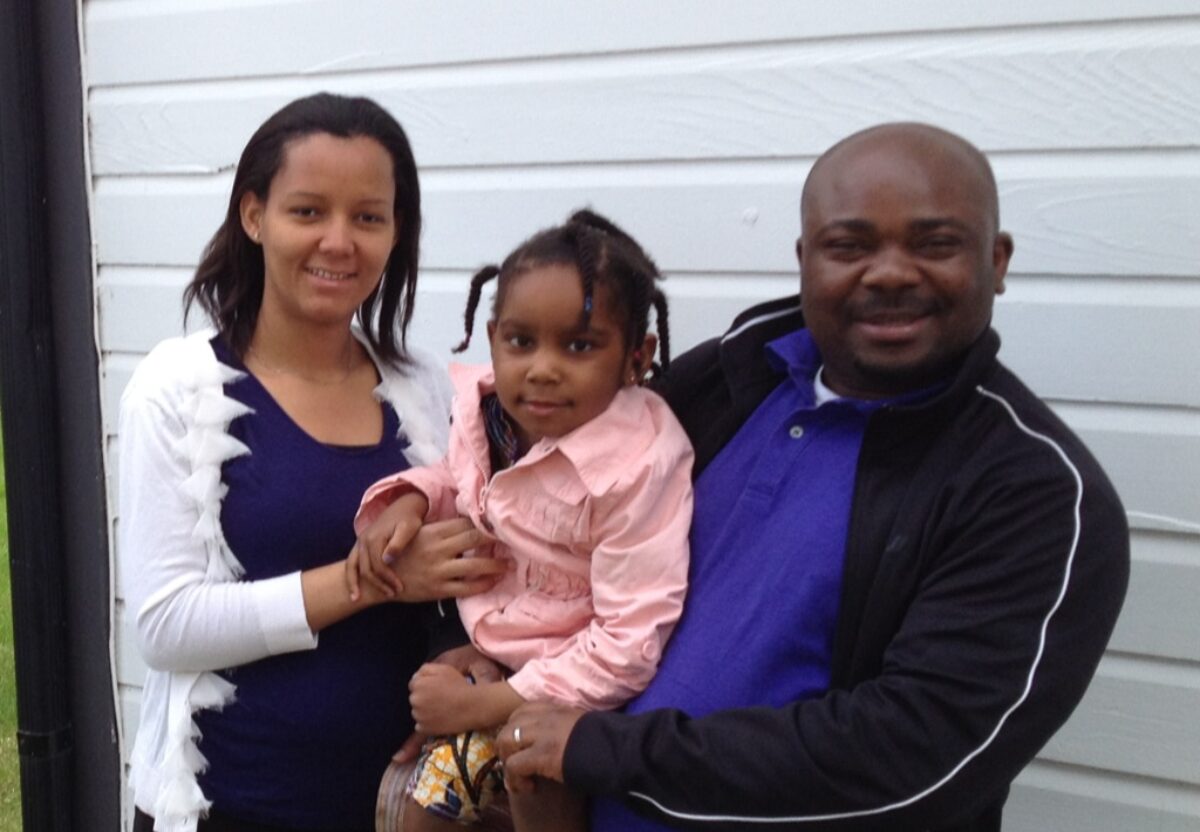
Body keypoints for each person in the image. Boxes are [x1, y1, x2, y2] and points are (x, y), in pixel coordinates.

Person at [495, 123, 1130, 831]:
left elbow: (910, 760)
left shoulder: (1030, 491)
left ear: (997, 259)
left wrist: (599, 750)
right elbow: (548, 528)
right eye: (849, 246)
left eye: (934, 244)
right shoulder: (724, 380)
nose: (889, 273)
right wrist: (466, 632)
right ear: (806, 259)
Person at [119, 93, 507, 832]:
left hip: (397, 809)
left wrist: (463, 661)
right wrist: (373, 581)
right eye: (307, 212)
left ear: (397, 232)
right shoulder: (178, 389)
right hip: (232, 807)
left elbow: (468, 574)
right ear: (254, 215)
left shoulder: (427, 388)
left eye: (368, 217)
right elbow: (166, 625)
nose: (339, 241)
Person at [350, 210, 694, 831]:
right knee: (419, 809)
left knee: (527, 785)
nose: (542, 368)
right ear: (492, 339)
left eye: (579, 345)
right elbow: (460, 479)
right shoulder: (492, 414)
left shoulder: (637, 466)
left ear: (637, 357)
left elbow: (629, 642)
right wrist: (410, 501)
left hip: (576, 694)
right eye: (521, 342)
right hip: (490, 656)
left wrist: (487, 704)